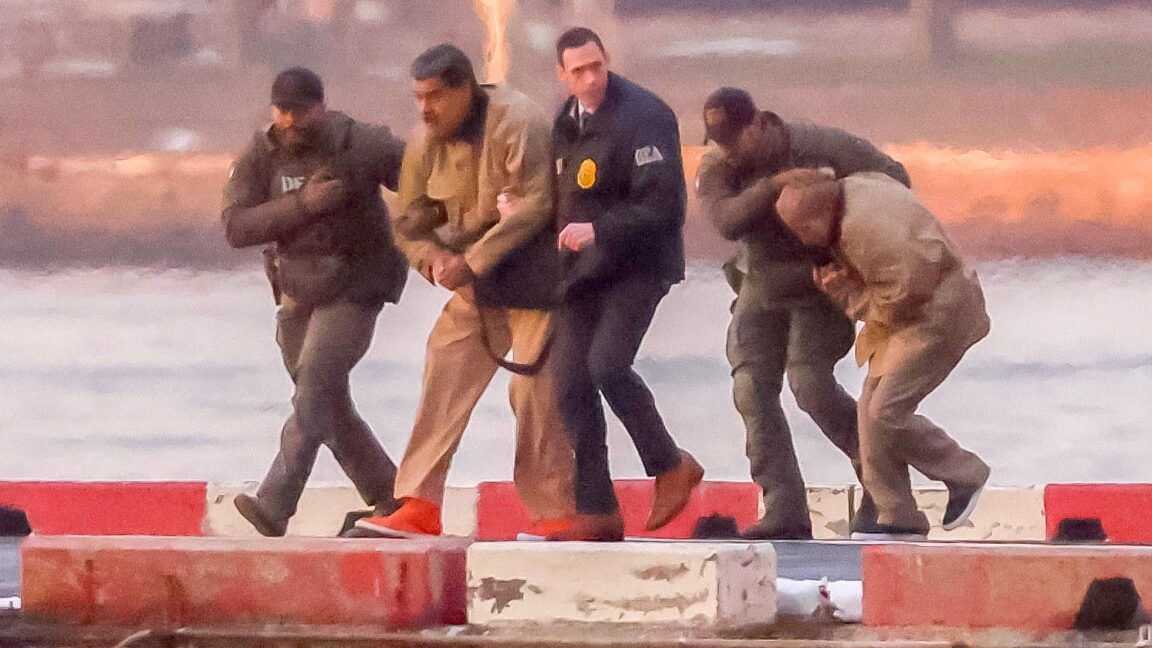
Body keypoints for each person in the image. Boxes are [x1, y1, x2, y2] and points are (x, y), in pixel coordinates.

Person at [354, 44, 575, 539]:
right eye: (418, 97)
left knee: (534, 391)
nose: (425, 109)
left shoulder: (519, 122)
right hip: (476, 287)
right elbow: (406, 221)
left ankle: (555, 510)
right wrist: (430, 260)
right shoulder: (425, 141)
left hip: (536, 280)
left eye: (434, 97)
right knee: (445, 363)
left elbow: (536, 205)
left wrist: (470, 261)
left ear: (464, 89)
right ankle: (419, 503)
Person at [695, 87, 911, 539]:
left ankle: (882, 486)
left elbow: (895, 180)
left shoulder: (817, 146)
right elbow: (727, 220)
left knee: (810, 385)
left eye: (735, 139)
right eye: (720, 142)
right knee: (750, 388)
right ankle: (784, 506)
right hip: (761, 281)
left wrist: (846, 228)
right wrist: (776, 185)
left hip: (820, 282)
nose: (728, 150)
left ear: (757, 123)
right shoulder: (718, 165)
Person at [221, 67, 408, 536]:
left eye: (300, 111)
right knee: (327, 405)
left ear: (320, 108)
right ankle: (390, 496)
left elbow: (423, 176)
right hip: (297, 289)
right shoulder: (261, 155)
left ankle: (274, 504)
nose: (290, 121)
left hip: (356, 285)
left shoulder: (357, 142)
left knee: (314, 388)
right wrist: (304, 204)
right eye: (282, 111)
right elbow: (236, 227)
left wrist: (431, 229)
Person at [774, 169, 992, 540]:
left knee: (886, 411)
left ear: (816, 220)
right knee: (868, 411)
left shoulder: (865, 233)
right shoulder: (857, 188)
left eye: (801, 231)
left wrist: (845, 293)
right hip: (916, 313)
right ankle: (896, 511)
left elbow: (904, 293)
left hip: (939, 313)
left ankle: (964, 472)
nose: (802, 241)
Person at [546, 27, 702, 542]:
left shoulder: (644, 115)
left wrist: (598, 229)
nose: (591, 78)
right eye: (579, 71)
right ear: (563, 76)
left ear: (607, 60)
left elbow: (663, 206)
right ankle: (597, 511)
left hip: (639, 264)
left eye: (597, 66)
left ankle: (670, 465)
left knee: (608, 365)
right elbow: (566, 193)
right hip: (585, 272)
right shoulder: (566, 122)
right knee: (569, 382)